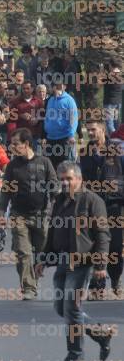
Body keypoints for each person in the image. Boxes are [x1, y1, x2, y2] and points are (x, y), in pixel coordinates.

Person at [35, 162, 114, 361]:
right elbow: (52, 232)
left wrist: (100, 265)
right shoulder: (60, 200)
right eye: (62, 179)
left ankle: (75, 355)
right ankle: (100, 333)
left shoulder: (92, 201)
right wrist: (43, 259)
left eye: (69, 179)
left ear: (79, 179)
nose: (65, 183)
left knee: (71, 309)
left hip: (83, 263)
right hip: (63, 261)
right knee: (62, 308)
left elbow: (103, 235)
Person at [0, 128, 58, 300]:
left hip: (41, 215)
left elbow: (54, 186)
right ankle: (28, 287)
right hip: (19, 215)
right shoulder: (12, 166)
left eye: (16, 144)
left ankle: (35, 277)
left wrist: (56, 207)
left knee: (41, 253)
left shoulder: (44, 163)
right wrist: (2, 212)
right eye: (11, 144)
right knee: (23, 253)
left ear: (26, 144)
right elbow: (6, 191)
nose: (12, 147)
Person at [79, 120, 124, 299]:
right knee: (96, 246)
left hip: (115, 204)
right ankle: (97, 287)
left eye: (93, 129)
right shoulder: (84, 153)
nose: (90, 133)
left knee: (114, 248)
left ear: (103, 130)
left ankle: (115, 280)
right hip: (94, 206)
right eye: (88, 130)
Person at [42, 79, 78, 169]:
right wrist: (45, 135)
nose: (57, 88)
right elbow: (47, 117)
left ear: (64, 87)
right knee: (50, 167)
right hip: (50, 139)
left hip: (64, 138)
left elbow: (73, 118)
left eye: (60, 86)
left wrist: (71, 134)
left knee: (64, 167)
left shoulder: (69, 100)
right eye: (55, 86)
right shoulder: (50, 100)